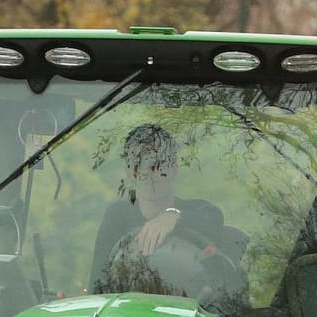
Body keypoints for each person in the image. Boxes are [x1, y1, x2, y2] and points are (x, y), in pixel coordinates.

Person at [89, 123, 246, 300]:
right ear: (128, 172)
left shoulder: (201, 212)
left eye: (158, 164)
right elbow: (98, 286)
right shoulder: (117, 216)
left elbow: (214, 218)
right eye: (138, 164)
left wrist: (174, 215)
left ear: (174, 169)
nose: (148, 172)